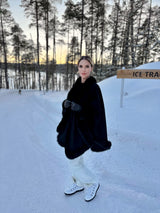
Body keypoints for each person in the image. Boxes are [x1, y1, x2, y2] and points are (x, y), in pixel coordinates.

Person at [56, 56, 111, 202]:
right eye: (81, 66)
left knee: (73, 159)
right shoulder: (76, 85)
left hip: (84, 132)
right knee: (75, 160)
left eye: (87, 66)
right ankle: (79, 183)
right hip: (72, 130)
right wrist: (65, 105)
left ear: (91, 68)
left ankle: (92, 182)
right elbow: (69, 107)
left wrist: (81, 109)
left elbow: (97, 113)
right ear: (78, 68)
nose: (84, 69)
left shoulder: (94, 88)